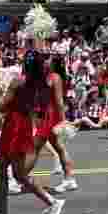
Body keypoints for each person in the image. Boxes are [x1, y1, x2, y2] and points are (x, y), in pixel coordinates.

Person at [0, 51, 65, 214]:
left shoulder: (18, 82)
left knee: (18, 174)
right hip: (22, 124)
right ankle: (3, 213)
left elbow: (2, 106)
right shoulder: (38, 83)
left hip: (15, 125)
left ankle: (52, 202)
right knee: (3, 170)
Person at [35, 54, 78, 193]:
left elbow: (59, 102)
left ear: (53, 64)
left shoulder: (55, 77)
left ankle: (20, 177)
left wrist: (63, 121)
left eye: (47, 60)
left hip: (52, 116)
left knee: (38, 147)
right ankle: (70, 179)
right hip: (46, 115)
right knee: (58, 148)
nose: (44, 63)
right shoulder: (46, 76)